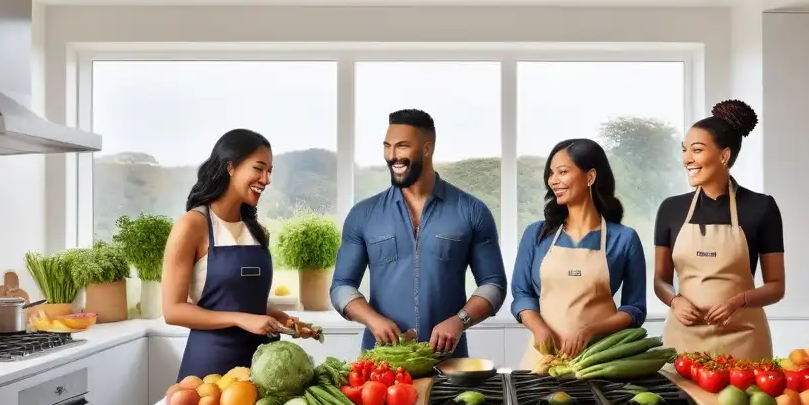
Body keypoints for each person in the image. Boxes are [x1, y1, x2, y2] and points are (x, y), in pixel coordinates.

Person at [330, 109, 507, 357]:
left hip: (447, 362)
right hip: (381, 365)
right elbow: (341, 287)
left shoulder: (472, 211)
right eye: (387, 146)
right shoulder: (363, 214)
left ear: (426, 149)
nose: (392, 156)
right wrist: (373, 320)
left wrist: (460, 320)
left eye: (402, 146)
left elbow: (494, 285)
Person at [653, 99, 785, 361]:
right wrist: (675, 301)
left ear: (724, 156)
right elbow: (660, 280)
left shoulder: (761, 207)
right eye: (685, 150)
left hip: (744, 341)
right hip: (683, 341)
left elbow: (776, 286)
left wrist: (738, 302)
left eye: (697, 150)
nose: (687, 159)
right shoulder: (671, 209)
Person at [162, 129, 297, 381]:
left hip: (263, 369)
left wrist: (278, 318)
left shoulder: (257, 232)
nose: (266, 179)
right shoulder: (192, 226)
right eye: (259, 168)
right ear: (231, 168)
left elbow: (239, 299)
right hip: (210, 370)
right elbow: (173, 310)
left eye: (270, 171)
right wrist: (241, 319)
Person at [510, 138, 647, 369]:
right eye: (551, 173)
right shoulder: (536, 234)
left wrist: (590, 331)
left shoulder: (624, 238)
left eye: (562, 172)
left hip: (599, 360)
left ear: (590, 177)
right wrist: (540, 328)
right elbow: (522, 293)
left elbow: (635, 309)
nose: (553, 181)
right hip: (543, 359)